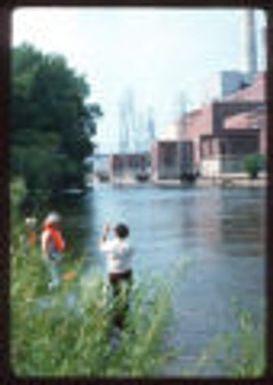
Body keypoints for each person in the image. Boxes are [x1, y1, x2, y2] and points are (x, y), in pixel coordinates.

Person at [99, 222, 134, 329]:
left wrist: (105, 232)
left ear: (115, 234)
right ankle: (124, 320)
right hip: (127, 273)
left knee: (114, 296)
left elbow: (101, 246)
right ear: (127, 234)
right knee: (126, 297)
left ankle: (116, 321)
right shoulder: (130, 246)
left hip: (113, 274)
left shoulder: (111, 244)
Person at [41, 212, 65, 290]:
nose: (58, 224)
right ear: (51, 223)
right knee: (55, 278)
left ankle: (56, 291)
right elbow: (44, 246)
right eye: (56, 222)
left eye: (58, 222)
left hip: (55, 256)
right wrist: (49, 256)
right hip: (51, 256)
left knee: (57, 276)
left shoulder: (54, 231)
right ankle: (53, 293)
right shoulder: (48, 233)